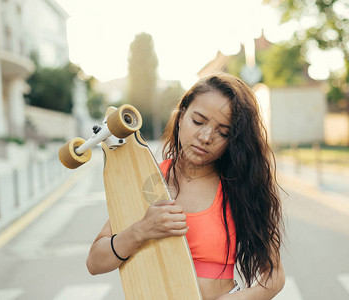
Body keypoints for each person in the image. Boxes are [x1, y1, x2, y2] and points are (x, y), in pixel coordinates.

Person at [86, 73, 286, 299]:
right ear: (181, 118)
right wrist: (142, 229)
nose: (206, 136)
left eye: (223, 132)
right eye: (198, 121)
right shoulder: (147, 178)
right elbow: (95, 262)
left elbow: (274, 276)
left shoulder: (239, 187)